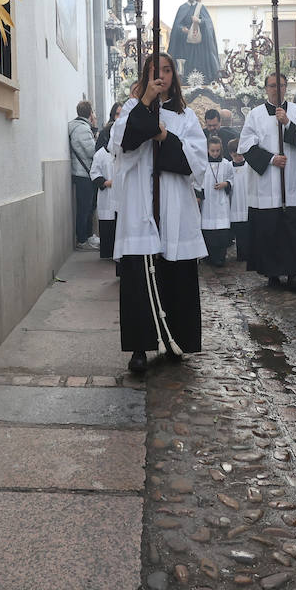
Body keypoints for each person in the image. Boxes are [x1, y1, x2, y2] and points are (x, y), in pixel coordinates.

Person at [111, 53, 207, 373]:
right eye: (154, 71)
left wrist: (164, 136)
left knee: (175, 276)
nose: (161, 76)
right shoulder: (130, 109)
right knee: (140, 277)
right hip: (142, 206)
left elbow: (197, 161)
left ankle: (174, 340)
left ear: (174, 76)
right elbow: (121, 143)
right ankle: (140, 347)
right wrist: (145, 105)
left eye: (166, 71)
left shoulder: (185, 116)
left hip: (173, 205)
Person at [238, 72, 296, 289]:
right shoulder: (255, 115)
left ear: (286, 87)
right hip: (267, 183)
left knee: (292, 229)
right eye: (271, 85)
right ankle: (272, 272)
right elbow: (245, 146)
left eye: (280, 85)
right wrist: (270, 159)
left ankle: (294, 272)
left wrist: (287, 123)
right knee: (270, 229)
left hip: (292, 181)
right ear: (266, 88)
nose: (276, 89)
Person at [169, 0, 221, 82]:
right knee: (187, 64)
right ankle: (186, 81)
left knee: (200, 62)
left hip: (200, 44)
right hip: (186, 44)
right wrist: (182, 29)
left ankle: (202, 81)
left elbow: (208, 23)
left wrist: (199, 21)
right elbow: (176, 25)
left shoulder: (201, 7)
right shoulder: (182, 8)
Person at [199, 135, 235, 267]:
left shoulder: (226, 164)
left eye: (217, 151)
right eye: (212, 151)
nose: (215, 153)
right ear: (207, 150)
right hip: (207, 202)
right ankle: (210, 256)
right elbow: (197, 180)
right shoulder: (203, 163)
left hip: (221, 203)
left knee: (221, 233)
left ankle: (220, 257)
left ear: (221, 150)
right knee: (209, 233)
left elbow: (232, 179)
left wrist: (226, 183)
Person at [69, 101, 98, 249]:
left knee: (87, 206)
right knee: (84, 208)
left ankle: (87, 236)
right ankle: (82, 239)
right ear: (89, 113)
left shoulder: (81, 127)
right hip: (83, 174)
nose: (94, 115)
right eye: (93, 112)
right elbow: (92, 152)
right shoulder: (82, 129)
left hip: (82, 173)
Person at [90, 140, 118, 269]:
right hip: (107, 194)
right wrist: (107, 183)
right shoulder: (100, 154)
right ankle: (109, 252)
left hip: (120, 195)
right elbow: (94, 173)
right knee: (108, 222)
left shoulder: (121, 152)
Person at [227, 140, 250, 263]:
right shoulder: (228, 167)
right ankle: (241, 255)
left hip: (247, 203)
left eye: (240, 155)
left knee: (248, 231)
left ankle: (250, 254)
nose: (238, 158)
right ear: (231, 154)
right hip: (235, 204)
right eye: (235, 155)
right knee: (239, 233)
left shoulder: (249, 166)